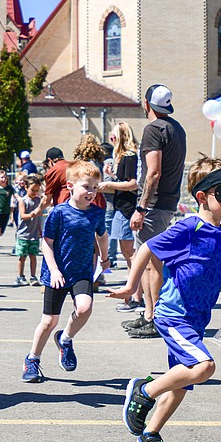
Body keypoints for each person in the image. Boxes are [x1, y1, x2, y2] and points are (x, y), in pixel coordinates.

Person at [111, 156, 221, 442]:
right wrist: (131, 287)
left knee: (183, 381)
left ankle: (151, 432)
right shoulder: (189, 228)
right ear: (202, 196)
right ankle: (143, 390)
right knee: (203, 368)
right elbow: (146, 248)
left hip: (196, 321)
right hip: (174, 315)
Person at [21, 159, 108, 383]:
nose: (91, 192)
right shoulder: (58, 213)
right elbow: (46, 243)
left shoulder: (96, 214)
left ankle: (66, 339)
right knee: (49, 321)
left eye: (95, 187)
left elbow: (102, 236)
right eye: (86, 187)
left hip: (82, 272)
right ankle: (32, 359)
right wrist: (54, 270)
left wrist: (105, 259)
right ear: (70, 186)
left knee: (85, 308)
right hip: (56, 274)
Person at [125, 84, 186, 339]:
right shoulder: (176, 128)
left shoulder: (153, 129)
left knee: (151, 263)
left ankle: (155, 317)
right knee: (151, 261)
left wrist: (141, 207)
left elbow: (153, 172)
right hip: (167, 201)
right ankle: (150, 314)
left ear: (147, 104)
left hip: (154, 204)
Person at [98, 121, 140, 312]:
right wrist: (113, 176)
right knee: (127, 253)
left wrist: (110, 185)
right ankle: (132, 296)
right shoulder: (124, 156)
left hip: (126, 209)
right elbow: (125, 181)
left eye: (113, 137)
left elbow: (132, 184)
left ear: (121, 137)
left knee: (130, 255)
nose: (111, 140)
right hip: (122, 207)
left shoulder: (129, 156)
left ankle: (135, 297)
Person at [13, 174, 44, 285]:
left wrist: (40, 229)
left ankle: (33, 276)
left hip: (34, 234)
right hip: (23, 234)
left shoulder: (38, 200)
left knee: (33, 256)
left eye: (37, 190)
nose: (35, 192)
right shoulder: (23, 201)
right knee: (22, 256)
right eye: (32, 190)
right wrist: (32, 214)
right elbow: (22, 215)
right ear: (26, 187)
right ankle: (20, 276)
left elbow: (40, 214)